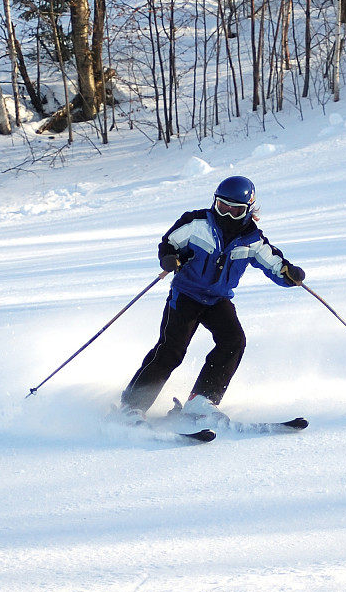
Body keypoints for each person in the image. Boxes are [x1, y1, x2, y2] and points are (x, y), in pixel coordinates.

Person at [120, 175, 305, 420]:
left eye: (235, 210)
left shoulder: (253, 241)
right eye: (222, 206)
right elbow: (170, 242)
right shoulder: (197, 223)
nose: (227, 214)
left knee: (234, 341)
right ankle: (132, 406)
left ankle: (202, 399)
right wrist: (169, 258)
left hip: (217, 300)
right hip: (185, 294)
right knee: (171, 350)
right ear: (214, 202)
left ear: (248, 210)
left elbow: (274, 264)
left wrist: (289, 274)